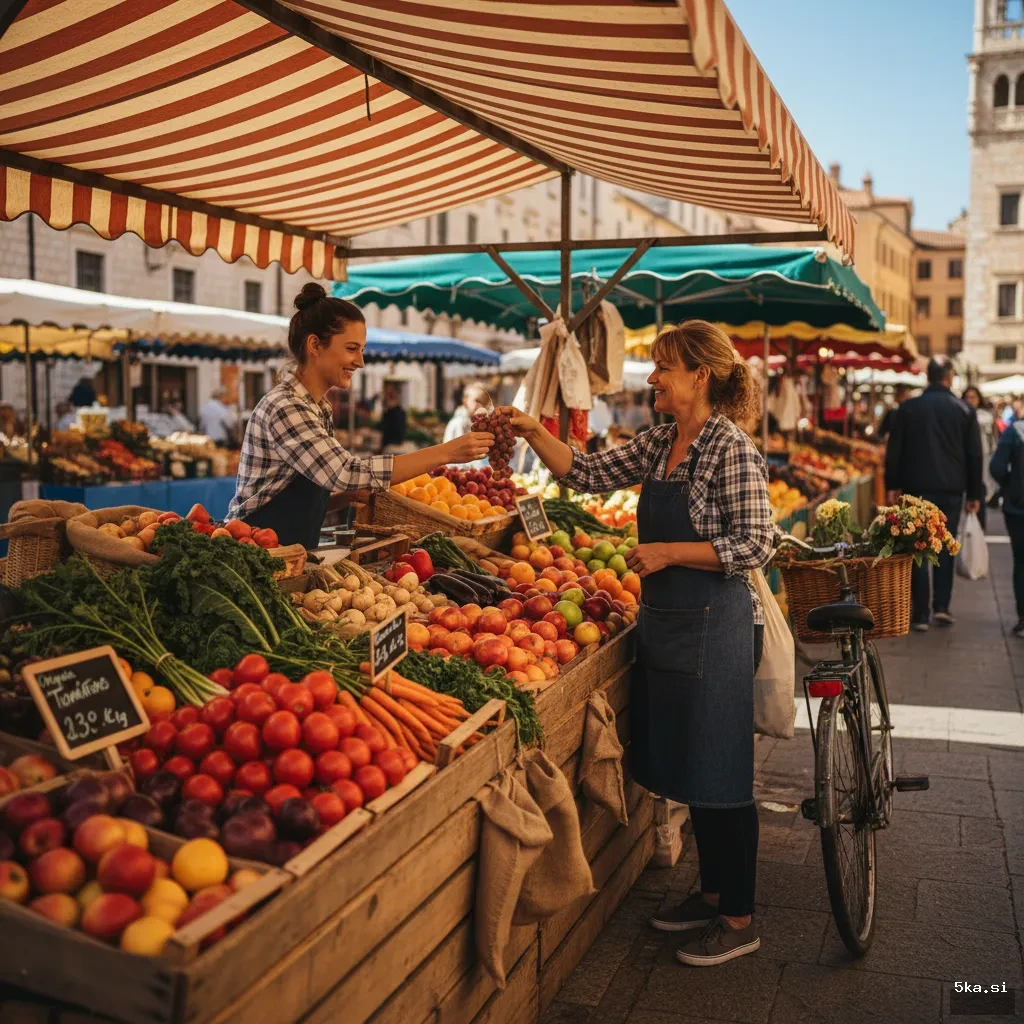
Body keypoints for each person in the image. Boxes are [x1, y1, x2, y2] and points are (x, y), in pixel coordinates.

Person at [506, 319, 773, 968]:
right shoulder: (660, 443)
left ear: (699, 376)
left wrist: (671, 551)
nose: (651, 377)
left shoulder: (729, 448)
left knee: (722, 771)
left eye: (662, 367)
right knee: (690, 765)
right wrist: (532, 430)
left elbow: (759, 543)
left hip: (716, 627)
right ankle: (709, 894)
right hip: (668, 626)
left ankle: (738, 917)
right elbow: (586, 472)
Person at [229, 284, 492, 548]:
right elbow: (343, 472)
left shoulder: (317, 407)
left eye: (361, 350)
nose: (360, 361)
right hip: (254, 553)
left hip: (288, 553)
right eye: (352, 348)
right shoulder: (286, 406)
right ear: (315, 345)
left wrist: (341, 498)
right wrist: (447, 452)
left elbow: (291, 492)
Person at [884, 356, 983, 631]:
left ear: (928, 376)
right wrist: (975, 492)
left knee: (917, 547)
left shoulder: (908, 408)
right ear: (949, 376)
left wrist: (891, 484)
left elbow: (895, 451)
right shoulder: (964, 410)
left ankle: (920, 613)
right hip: (952, 489)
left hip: (916, 489)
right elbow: (974, 455)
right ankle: (941, 606)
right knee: (945, 545)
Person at [990, 413, 1024, 638]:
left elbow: (997, 467)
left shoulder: (1015, 431)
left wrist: (1011, 485)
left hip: (1018, 506)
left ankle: (1023, 617)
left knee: (1021, 561)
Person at [962, 386, 996, 529]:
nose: (970, 400)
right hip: (962, 465)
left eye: (973, 397)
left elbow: (993, 443)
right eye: (967, 397)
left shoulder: (986, 418)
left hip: (982, 464)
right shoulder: (959, 416)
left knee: (979, 498)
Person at [378, 384, 407, 454]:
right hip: (394, 445)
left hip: (392, 447)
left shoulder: (393, 412)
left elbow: (385, 428)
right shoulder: (399, 411)